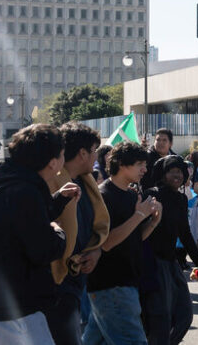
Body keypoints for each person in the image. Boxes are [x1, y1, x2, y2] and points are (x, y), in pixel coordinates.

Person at [0, 124, 76, 344]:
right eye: (62, 155)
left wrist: (58, 200)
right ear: (53, 163)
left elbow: (19, 223)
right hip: (11, 309)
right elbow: (43, 249)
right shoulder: (25, 192)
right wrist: (58, 231)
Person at [83, 141, 162, 345]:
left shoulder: (131, 194)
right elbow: (106, 243)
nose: (145, 169)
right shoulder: (103, 195)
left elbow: (133, 238)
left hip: (125, 282)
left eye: (145, 164)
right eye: (139, 164)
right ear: (120, 164)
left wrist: (152, 222)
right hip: (111, 285)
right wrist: (139, 215)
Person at [45, 122, 110, 345]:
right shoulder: (50, 182)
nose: (96, 157)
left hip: (78, 278)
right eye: (94, 151)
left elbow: (93, 228)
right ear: (82, 153)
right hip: (55, 282)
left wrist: (96, 251)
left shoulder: (87, 182)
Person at [142, 155, 198, 344]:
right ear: (163, 174)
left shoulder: (180, 199)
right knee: (160, 319)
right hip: (152, 265)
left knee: (185, 315)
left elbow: (185, 234)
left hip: (172, 264)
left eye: (181, 172)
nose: (178, 175)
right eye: (173, 171)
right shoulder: (151, 195)